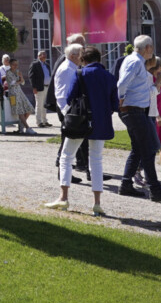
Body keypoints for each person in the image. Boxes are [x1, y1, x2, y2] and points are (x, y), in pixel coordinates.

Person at [45, 47, 113, 216]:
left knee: (66, 157)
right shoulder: (109, 77)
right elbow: (114, 104)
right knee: (96, 161)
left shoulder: (80, 74)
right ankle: (97, 203)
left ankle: (63, 197)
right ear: (99, 59)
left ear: (83, 60)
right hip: (100, 123)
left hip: (80, 122)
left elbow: (69, 97)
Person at [118, 36, 161, 202]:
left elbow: (142, 89)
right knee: (150, 147)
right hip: (133, 110)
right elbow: (122, 84)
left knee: (139, 148)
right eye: (152, 48)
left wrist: (157, 84)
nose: (152, 51)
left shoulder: (136, 62)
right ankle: (155, 189)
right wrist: (121, 98)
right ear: (148, 48)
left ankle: (126, 184)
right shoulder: (135, 62)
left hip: (137, 110)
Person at [54, 36, 89, 181]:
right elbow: (63, 94)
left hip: (73, 111)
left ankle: (88, 170)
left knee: (77, 142)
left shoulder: (73, 67)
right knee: (69, 143)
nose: (83, 57)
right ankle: (63, 172)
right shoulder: (67, 69)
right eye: (80, 54)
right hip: (70, 112)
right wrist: (68, 112)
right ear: (73, 55)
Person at [4, 55, 36, 135]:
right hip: (13, 94)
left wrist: (21, 78)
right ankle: (27, 128)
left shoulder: (17, 72)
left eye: (16, 64)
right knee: (20, 111)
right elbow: (12, 84)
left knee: (29, 108)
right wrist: (20, 80)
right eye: (14, 64)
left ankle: (21, 127)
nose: (15, 66)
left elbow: (23, 82)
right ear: (10, 65)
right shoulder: (8, 73)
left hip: (19, 92)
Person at [30, 50, 51, 127]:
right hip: (39, 88)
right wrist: (34, 87)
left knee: (44, 105)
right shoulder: (35, 64)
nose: (44, 56)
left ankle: (44, 120)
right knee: (39, 105)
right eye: (42, 54)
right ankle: (39, 122)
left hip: (47, 87)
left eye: (45, 54)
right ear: (38, 56)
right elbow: (31, 77)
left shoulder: (47, 65)